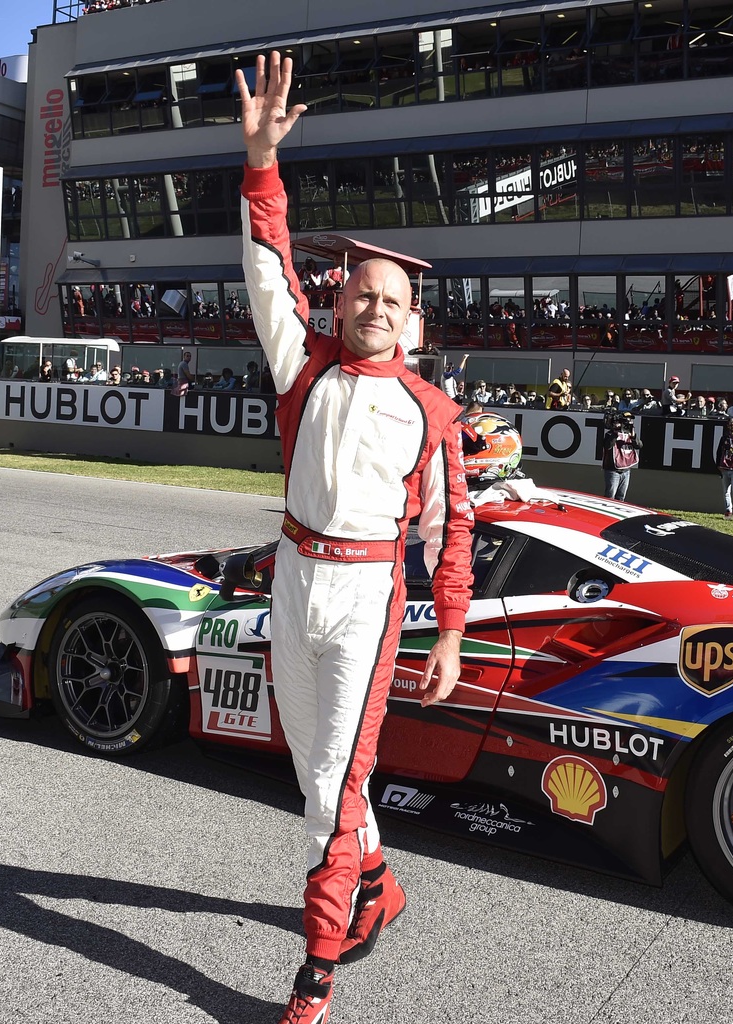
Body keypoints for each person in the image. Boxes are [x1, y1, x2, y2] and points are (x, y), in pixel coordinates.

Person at [236, 52, 475, 1024]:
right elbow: (264, 260)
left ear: (412, 319)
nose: (373, 307)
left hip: (369, 598)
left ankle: (318, 970)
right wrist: (261, 162)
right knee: (315, 771)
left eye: (391, 299)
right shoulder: (302, 363)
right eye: (360, 293)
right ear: (339, 301)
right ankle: (380, 885)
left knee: (335, 786)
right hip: (291, 575)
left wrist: (450, 629)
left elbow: (453, 528)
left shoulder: (433, 411)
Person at [597, 408, 642, 500]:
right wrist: (616, 433)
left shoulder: (630, 433)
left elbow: (639, 445)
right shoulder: (610, 434)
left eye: (630, 420)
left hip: (626, 470)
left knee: (621, 497)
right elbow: (607, 446)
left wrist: (633, 437)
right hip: (612, 470)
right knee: (610, 496)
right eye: (626, 420)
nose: (629, 422)